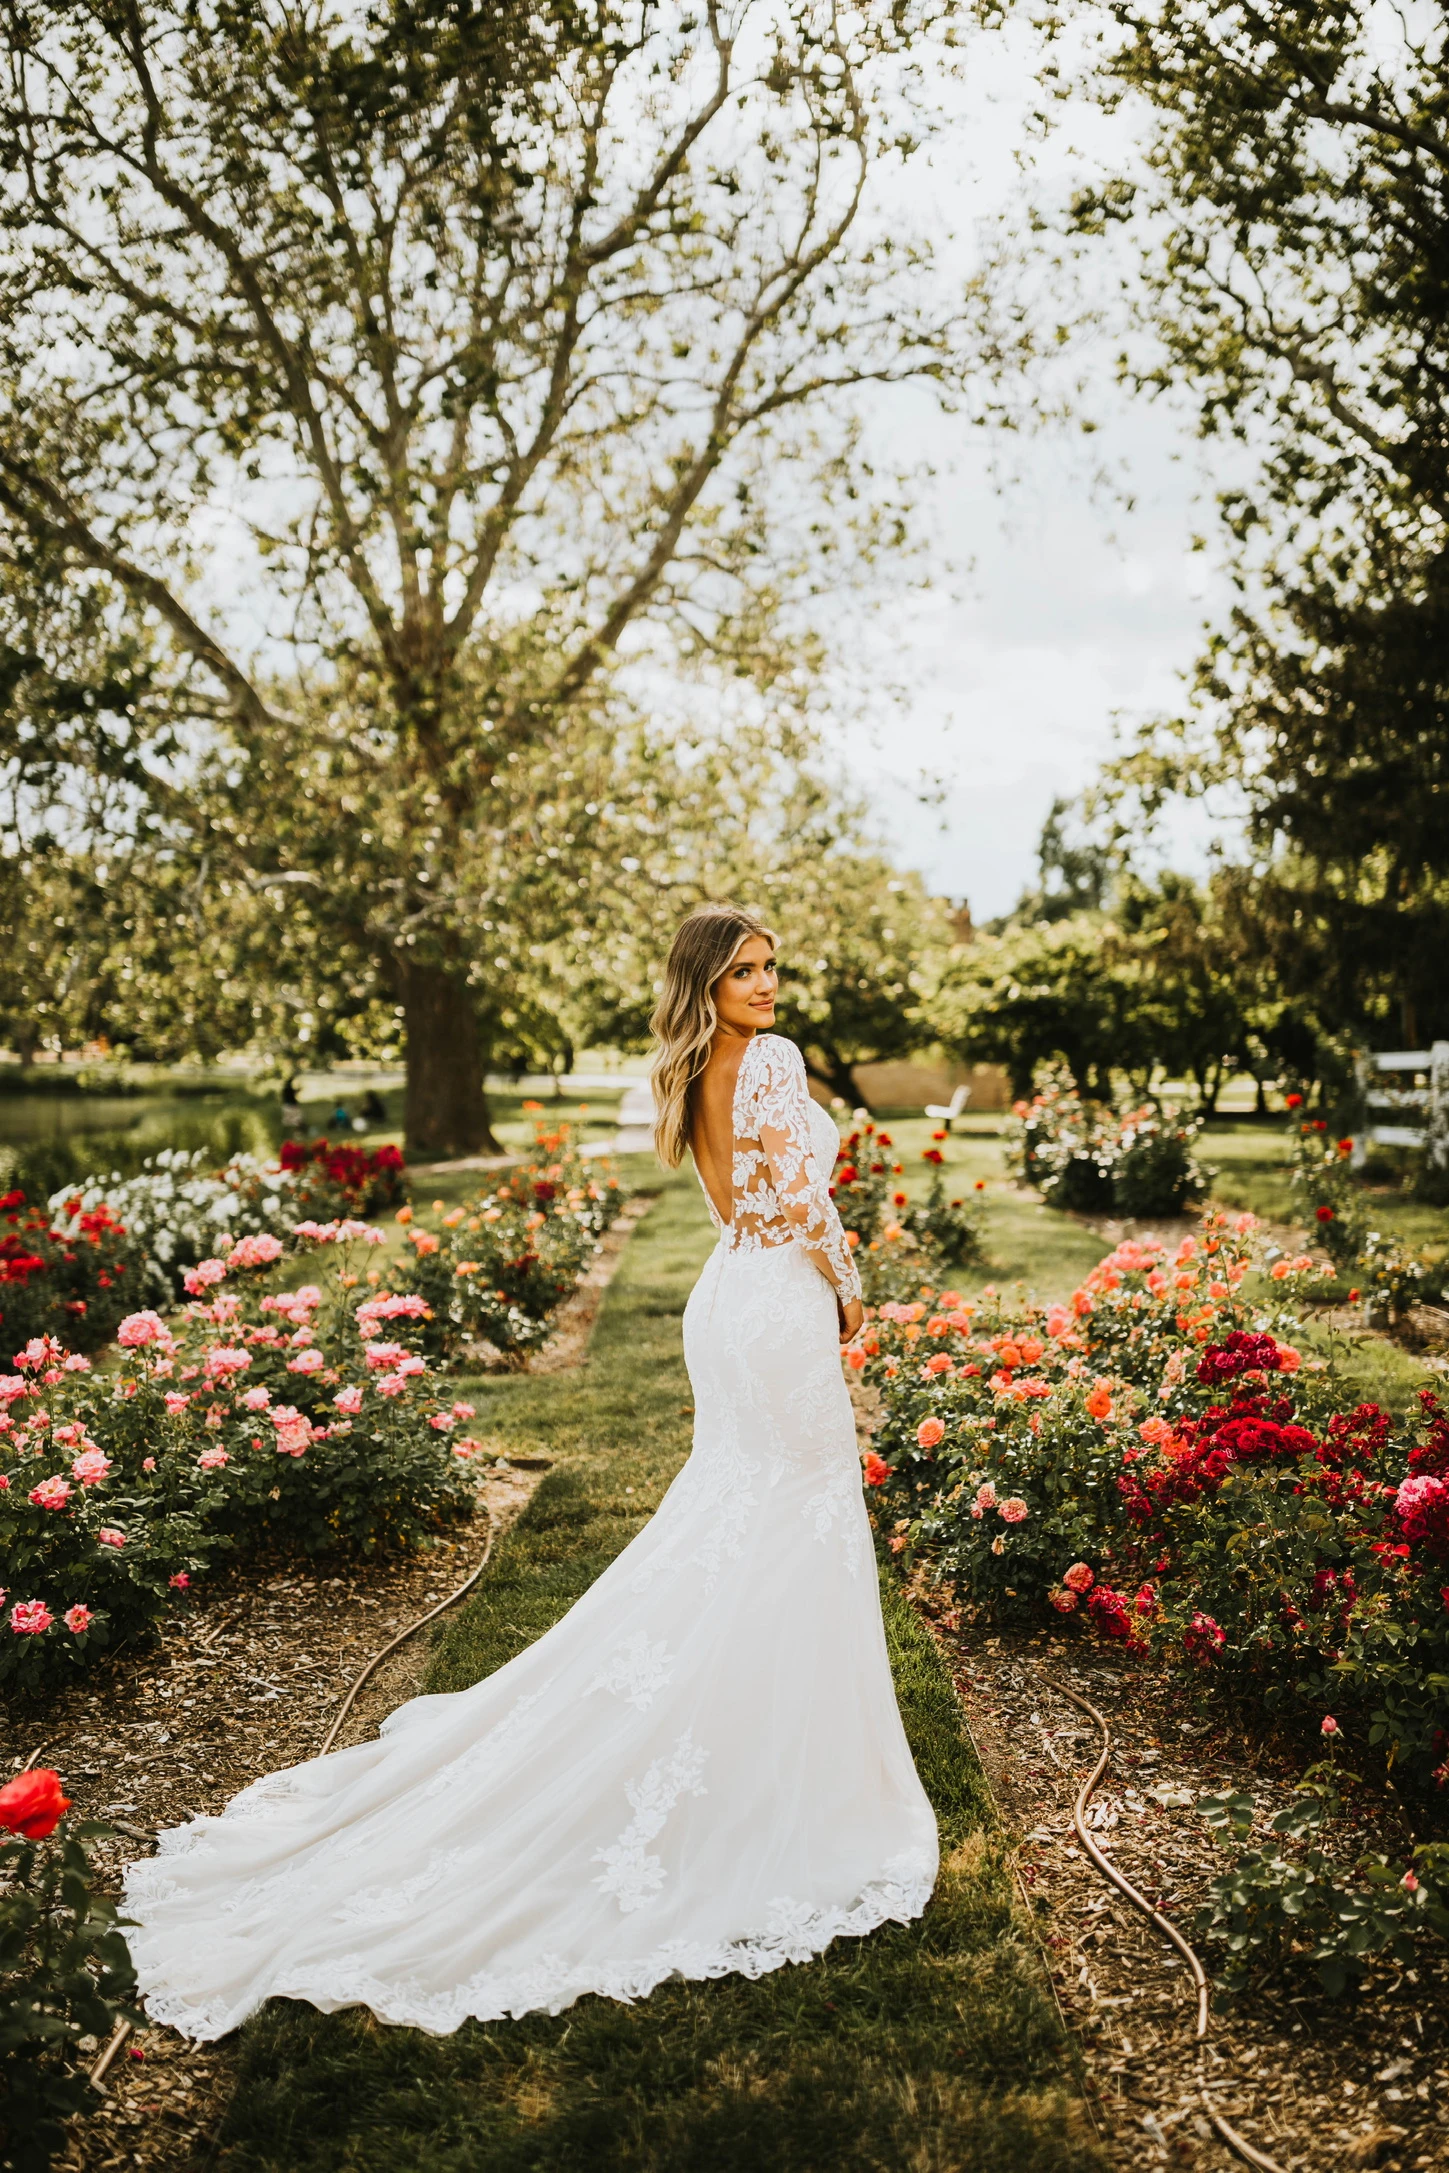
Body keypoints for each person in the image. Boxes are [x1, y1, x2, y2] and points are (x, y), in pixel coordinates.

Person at [121, 902, 938, 2039]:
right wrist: (848, 1283)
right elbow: (798, 1204)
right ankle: (789, 1781)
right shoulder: (773, 1062)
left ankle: (746, 1740)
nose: (765, 983)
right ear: (704, 980)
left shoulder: (698, 1064)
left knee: (741, 1525)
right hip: (777, 1306)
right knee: (792, 1524)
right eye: (743, 969)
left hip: (729, 1302)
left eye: (771, 966)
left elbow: (740, 1195)